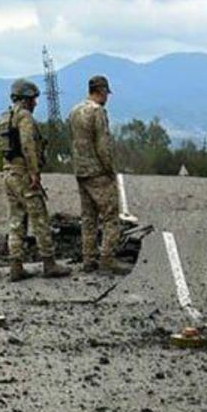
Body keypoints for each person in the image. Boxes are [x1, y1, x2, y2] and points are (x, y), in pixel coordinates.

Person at [0, 79, 68, 280]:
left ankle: (16, 265)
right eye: (33, 99)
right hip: (22, 174)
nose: (35, 103)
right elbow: (28, 145)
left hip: (8, 173)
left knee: (16, 220)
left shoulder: (6, 117)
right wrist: (34, 172)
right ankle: (49, 263)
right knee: (40, 217)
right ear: (26, 99)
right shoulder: (25, 117)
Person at [68, 74, 129, 274]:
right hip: (97, 172)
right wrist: (110, 169)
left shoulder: (74, 111)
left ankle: (89, 259)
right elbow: (103, 146)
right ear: (101, 91)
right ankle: (107, 260)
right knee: (111, 217)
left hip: (81, 171)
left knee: (88, 217)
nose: (107, 97)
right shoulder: (98, 112)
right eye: (106, 93)